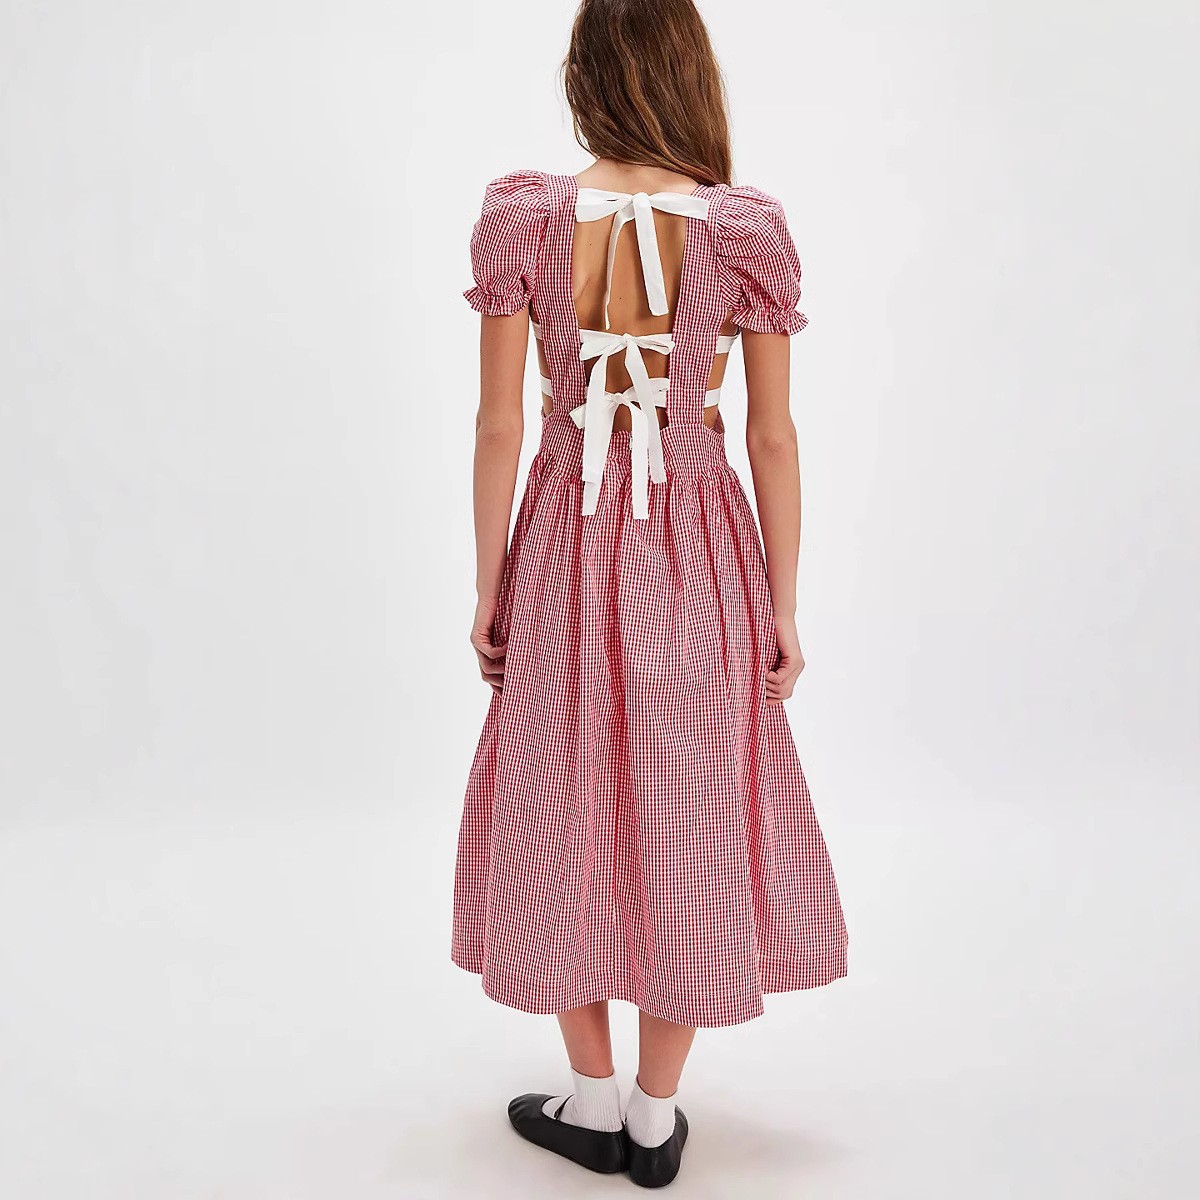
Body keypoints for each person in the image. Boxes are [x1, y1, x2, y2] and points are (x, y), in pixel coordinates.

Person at [452, 0, 848, 1187]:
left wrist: (491, 587)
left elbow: (500, 425)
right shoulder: (743, 229)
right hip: (698, 544)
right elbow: (771, 437)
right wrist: (782, 605)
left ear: (584, 76)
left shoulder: (525, 217)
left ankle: (587, 1095)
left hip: (565, 544)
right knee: (690, 800)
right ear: (689, 75)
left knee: (558, 793)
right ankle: (654, 1116)